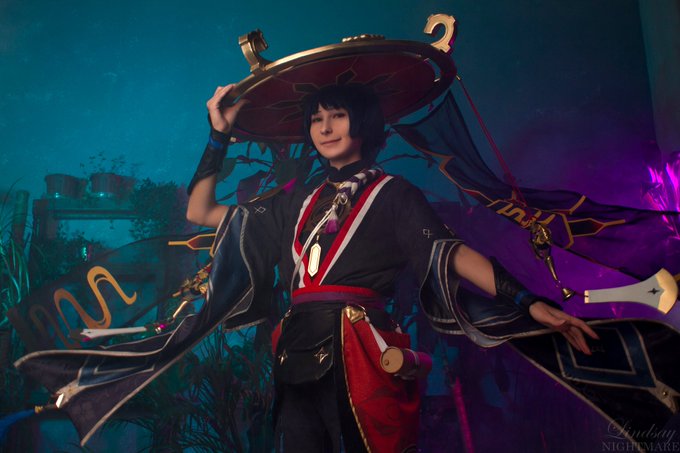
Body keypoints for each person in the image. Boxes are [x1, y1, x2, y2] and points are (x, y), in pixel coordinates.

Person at [186, 82, 599, 452]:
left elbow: (450, 254)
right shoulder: (294, 201)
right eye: (316, 119)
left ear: (364, 123)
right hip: (293, 353)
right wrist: (219, 134)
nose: (325, 129)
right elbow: (200, 211)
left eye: (337, 116)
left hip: (362, 353)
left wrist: (527, 301)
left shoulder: (395, 194)